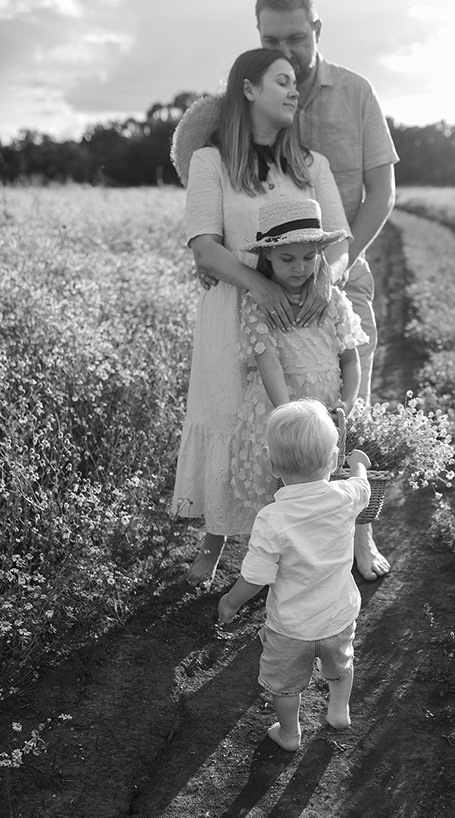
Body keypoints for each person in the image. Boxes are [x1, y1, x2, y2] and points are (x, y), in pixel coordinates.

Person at [169, 48, 351, 585]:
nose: (295, 91)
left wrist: (321, 279)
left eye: (296, 82)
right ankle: (214, 543)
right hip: (234, 309)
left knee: (298, 422)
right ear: (248, 89)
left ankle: (292, 550)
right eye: (282, 81)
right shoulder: (211, 161)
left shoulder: (311, 164)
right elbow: (205, 248)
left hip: (305, 316)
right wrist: (259, 283)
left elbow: (340, 242)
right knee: (232, 417)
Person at [255, 0, 398, 582]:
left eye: (296, 37)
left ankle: (360, 536)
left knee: (350, 409)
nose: (284, 50)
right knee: (284, 415)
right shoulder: (251, 92)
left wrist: (332, 273)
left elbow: (381, 193)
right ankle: (292, 538)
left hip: (344, 273)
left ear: (317, 30)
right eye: (272, 39)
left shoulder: (356, 91)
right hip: (271, 282)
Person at [217, 399, 371, 751]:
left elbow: (255, 578)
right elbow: (362, 486)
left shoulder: (273, 519)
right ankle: (338, 710)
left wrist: (230, 602)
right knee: (341, 663)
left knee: (285, 685)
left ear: (273, 465)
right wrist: (358, 465)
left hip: (290, 626)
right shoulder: (346, 496)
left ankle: (290, 734)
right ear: (332, 461)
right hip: (337, 615)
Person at [232, 195, 368, 513]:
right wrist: (290, 417)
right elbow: (269, 363)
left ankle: (321, 558)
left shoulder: (333, 301)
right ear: (268, 255)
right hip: (280, 409)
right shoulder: (258, 303)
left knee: (323, 496)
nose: (300, 267)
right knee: (281, 498)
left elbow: (350, 359)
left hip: (326, 409)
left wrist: (345, 405)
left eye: (309, 257)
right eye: (287, 259)